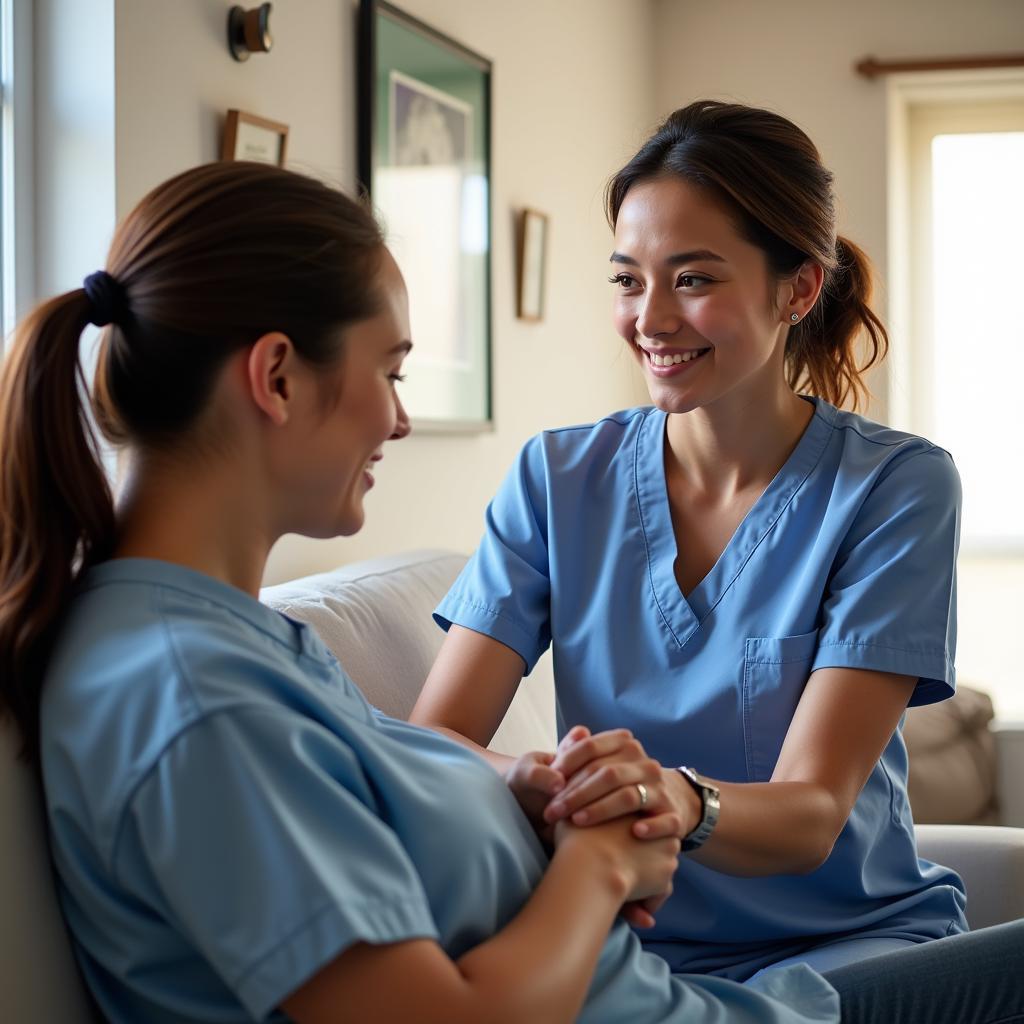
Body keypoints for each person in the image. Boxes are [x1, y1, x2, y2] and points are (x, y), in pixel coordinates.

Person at [0, 160, 847, 1024]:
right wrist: (597, 870)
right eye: (392, 372)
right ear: (278, 377)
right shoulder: (194, 692)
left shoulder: (233, 642)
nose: (399, 420)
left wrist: (522, 786)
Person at [410, 99, 1021, 983]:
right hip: (624, 957)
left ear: (798, 288)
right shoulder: (557, 478)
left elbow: (813, 814)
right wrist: (535, 780)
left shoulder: (895, 488)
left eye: (692, 279)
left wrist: (675, 798)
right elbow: (436, 739)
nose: (650, 319)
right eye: (628, 280)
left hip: (846, 952)